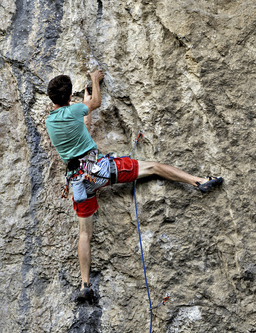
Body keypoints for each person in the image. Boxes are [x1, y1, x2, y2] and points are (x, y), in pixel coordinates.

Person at [45, 70, 223, 301]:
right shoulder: (76, 109)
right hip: (98, 170)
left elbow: (83, 126)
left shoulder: (50, 120)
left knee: (84, 234)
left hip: (78, 182)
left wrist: (83, 108)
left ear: (53, 100)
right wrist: (95, 81)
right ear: (70, 97)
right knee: (153, 167)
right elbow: (95, 103)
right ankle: (199, 182)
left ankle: (84, 284)